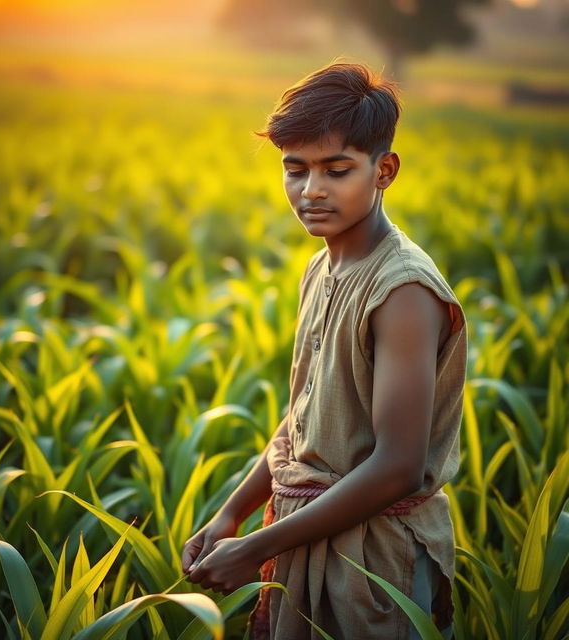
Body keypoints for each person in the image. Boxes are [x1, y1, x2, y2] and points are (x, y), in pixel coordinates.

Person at [181, 62, 467, 640]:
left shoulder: (402, 290)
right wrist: (231, 512)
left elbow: (396, 467)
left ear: (384, 170)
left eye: (336, 171)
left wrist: (254, 547)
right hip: (304, 537)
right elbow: (307, 416)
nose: (311, 190)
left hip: (375, 563)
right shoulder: (323, 265)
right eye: (295, 169)